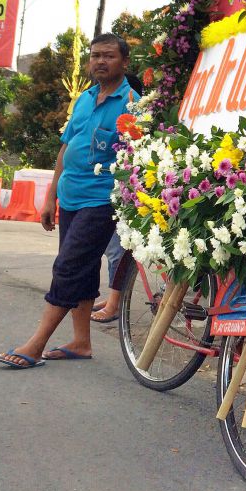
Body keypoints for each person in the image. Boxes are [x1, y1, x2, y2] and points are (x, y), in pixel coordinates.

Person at [0, 33, 135, 368]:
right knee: (83, 271)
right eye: (95, 55)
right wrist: (50, 196)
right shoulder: (85, 99)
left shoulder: (133, 103)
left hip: (102, 200)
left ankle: (35, 344)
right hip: (70, 197)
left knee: (68, 267)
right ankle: (81, 342)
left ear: (124, 62)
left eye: (108, 56)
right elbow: (66, 148)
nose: (100, 61)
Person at [90, 71, 144, 324]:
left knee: (117, 250)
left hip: (124, 191)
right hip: (111, 190)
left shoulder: (133, 114)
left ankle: (115, 303)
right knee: (113, 249)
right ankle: (114, 297)